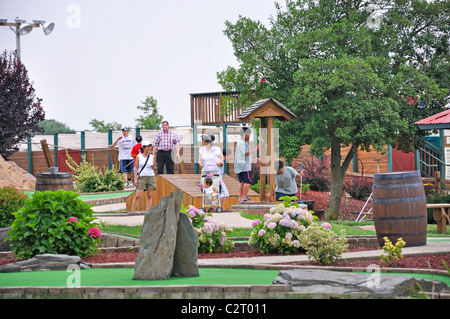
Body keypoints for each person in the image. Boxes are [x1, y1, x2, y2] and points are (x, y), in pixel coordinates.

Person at [234, 127, 259, 203]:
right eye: (249, 135)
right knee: (247, 181)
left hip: (240, 166)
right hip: (245, 166)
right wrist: (256, 149)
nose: (249, 137)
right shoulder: (242, 142)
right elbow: (246, 153)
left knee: (242, 182)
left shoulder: (240, 142)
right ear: (245, 134)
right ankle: (244, 197)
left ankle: (241, 197)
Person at [131, 140, 157, 211]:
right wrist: (135, 179)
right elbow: (136, 168)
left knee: (150, 195)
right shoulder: (139, 157)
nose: (149, 148)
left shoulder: (152, 157)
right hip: (142, 176)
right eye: (147, 147)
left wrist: (153, 166)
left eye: (150, 146)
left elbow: (155, 168)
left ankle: (147, 211)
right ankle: (132, 211)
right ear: (143, 147)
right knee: (138, 196)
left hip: (151, 176)